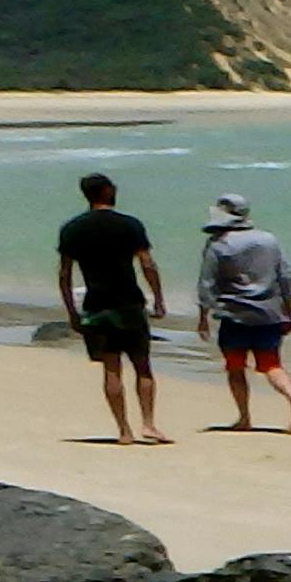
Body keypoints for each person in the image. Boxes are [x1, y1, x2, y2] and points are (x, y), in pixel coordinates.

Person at [53, 174, 168, 446]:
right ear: (106, 191)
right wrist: (159, 298)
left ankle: (124, 430)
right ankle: (149, 425)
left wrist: (71, 311)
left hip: (96, 305)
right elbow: (147, 264)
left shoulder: (72, 228)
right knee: (142, 366)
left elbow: (64, 274)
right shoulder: (129, 225)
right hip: (129, 302)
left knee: (111, 368)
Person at [195, 194, 291, 434]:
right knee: (271, 364)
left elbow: (207, 283)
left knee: (235, 367)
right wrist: (289, 309)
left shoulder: (219, 244)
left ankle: (244, 417)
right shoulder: (268, 240)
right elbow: (286, 277)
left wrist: (203, 315)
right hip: (269, 312)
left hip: (234, 314)